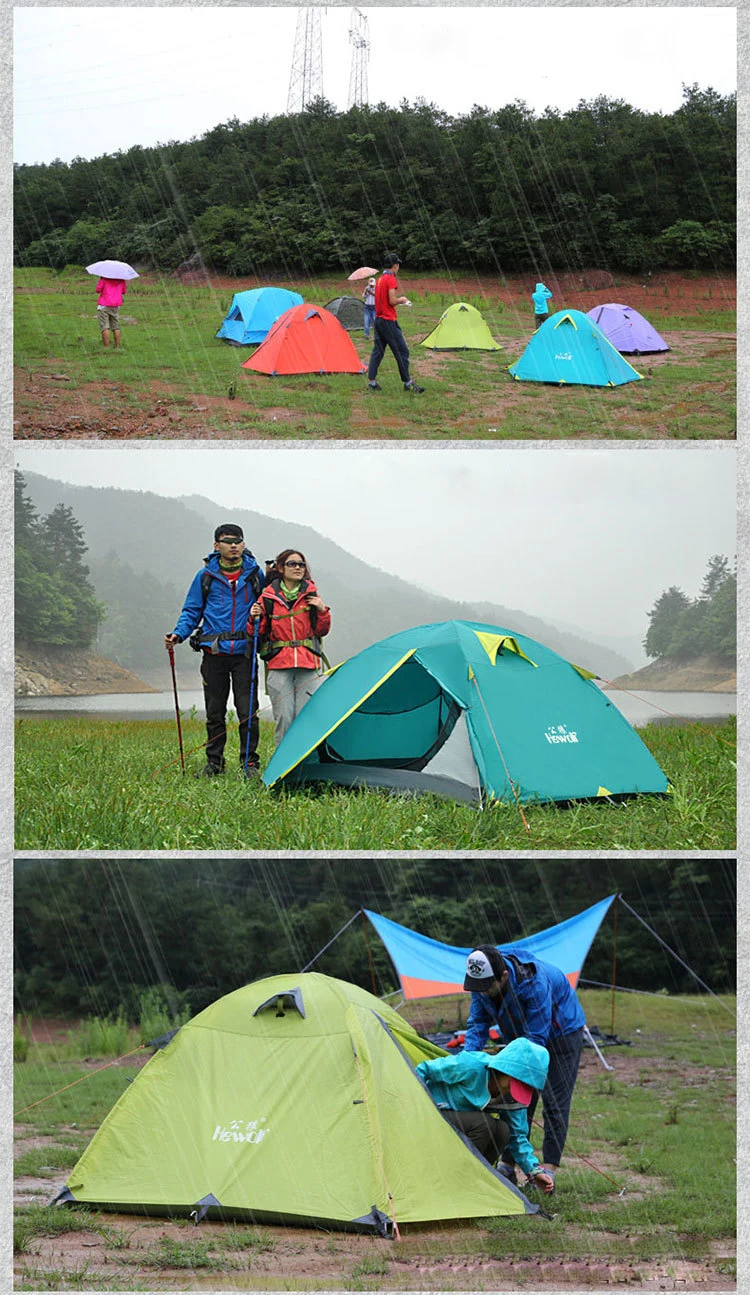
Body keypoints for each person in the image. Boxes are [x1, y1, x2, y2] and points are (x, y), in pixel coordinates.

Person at [462, 944, 586, 1188]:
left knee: (554, 1103)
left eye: (487, 987)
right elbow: (477, 1023)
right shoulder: (482, 982)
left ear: (504, 976)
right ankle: (507, 1167)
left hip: (561, 1036)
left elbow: (535, 1042)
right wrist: (468, 1062)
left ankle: (547, 1171)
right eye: (478, 988)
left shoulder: (535, 983)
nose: (482, 993)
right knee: (514, 1098)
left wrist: (509, 1066)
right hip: (521, 1035)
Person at [165, 524, 264, 777]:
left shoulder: (255, 574)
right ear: (216, 545)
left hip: (245, 654)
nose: (233, 545)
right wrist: (179, 634)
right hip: (213, 654)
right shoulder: (205, 576)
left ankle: (249, 764)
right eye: (227, 541)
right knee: (215, 712)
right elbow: (192, 610)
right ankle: (214, 764)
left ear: (243, 544)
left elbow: (268, 607)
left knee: (247, 712)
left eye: (237, 541)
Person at [416, 1037, 556, 1194]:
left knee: (503, 1130)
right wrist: (413, 1108)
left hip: (460, 1125)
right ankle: (451, 1180)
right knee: (485, 1124)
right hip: (429, 1114)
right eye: (514, 1084)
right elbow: (423, 1070)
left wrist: (534, 1172)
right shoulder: (471, 1065)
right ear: (503, 1069)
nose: (512, 1092)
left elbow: (518, 1138)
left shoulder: (513, 1099)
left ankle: (475, 1182)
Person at [250, 549, 331, 746]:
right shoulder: (268, 596)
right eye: (292, 564)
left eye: (301, 564)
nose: (297, 568)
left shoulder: (312, 594)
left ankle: (307, 767)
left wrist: (322, 610)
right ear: (280, 568)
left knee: (307, 719)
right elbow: (257, 632)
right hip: (279, 664)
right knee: (284, 719)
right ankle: (284, 770)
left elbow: (322, 630)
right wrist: (254, 617)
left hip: (308, 664)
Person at [367, 253, 424, 394]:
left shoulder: (379, 279)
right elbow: (392, 300)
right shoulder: (390, 279)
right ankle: (408, 383)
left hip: (378, 320)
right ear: (395, 266)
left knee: (378, 351)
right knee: (402, 351)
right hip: (388, 321)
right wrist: (402, 300)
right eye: (398, 265)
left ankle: (372, 382)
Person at [96, 276, 128, 350]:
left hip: (104, 304)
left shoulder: (103, 278)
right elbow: (123, 291)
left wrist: (101, 281)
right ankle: (117, 347)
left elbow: (98, 290)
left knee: (105, 326)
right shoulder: (121, 279)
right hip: (116, 305)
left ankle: (106, 347)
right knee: (115, 326)